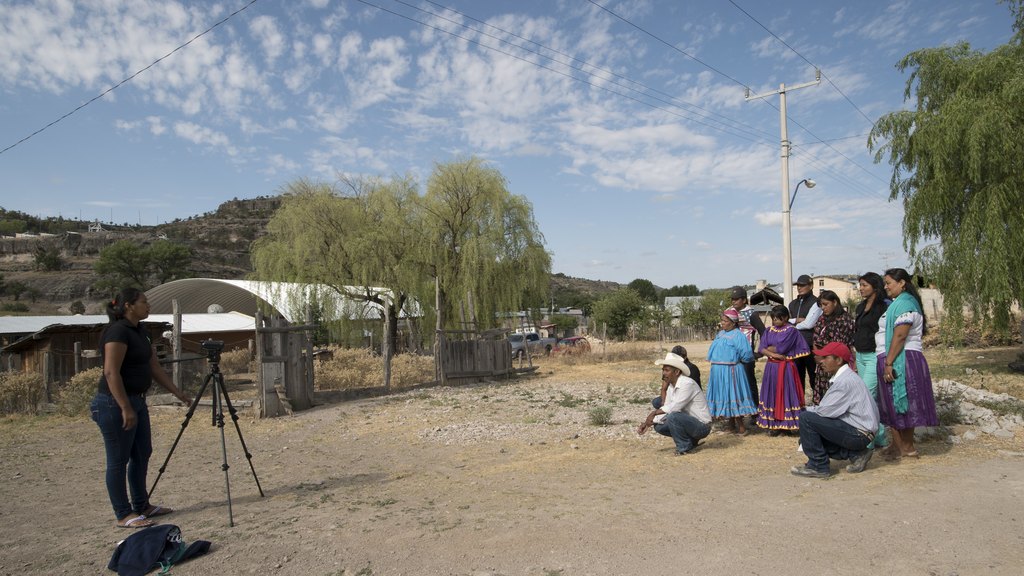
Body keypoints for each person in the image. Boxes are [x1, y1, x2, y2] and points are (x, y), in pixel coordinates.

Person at [90, 288, 191, 529]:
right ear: (128, 305)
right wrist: (125, 407)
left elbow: (154, 367)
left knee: (142, 453)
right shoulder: (117, 332)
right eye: (144, 302)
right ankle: (123, 514)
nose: (148, 306)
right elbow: (111, 372)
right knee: (118, 459)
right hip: (113, 404)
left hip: (138, 400)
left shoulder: (140, 331)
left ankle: (141, 505)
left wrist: (177, 392)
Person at [790, 342, 879, 479]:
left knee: (806, 419)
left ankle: (818, 466)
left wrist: (799, 410)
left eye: (826, 358)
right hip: (862, 431)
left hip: (859, 433)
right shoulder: (846, 377)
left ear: (838, 360)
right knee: (807, 438)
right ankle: (857, 454)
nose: (822, 362)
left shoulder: (844, 382)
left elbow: (824, 412)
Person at [876, 268, 939, 460]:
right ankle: (897, 445)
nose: (886, 287)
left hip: (901, 360)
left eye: (889, 283)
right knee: (890, 403)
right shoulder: (896, 304)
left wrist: (889, 362)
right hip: (890, 357)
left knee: (904, 401)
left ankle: (908, 447)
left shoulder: (906, 305)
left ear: (902, 283)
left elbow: (901, 335)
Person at [638, 353, 712, 455]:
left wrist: (654, 413)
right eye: (663, 370)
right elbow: (666, 406)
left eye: (667, 370)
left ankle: (684, 447)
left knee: (673, 416)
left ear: (677, 372)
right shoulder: (671, 387)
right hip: (690, 423)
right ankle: (690, 442)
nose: (664, 373)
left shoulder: (687, 384)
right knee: (659, 426)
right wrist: (648, 423)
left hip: (702, 426)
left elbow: (675, 407)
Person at [756, 305, 809, 434]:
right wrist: (773, 354)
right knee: (772, 393)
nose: (775, 321)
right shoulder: (769, 330)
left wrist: (771, 349)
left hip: (785, 369)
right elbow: (762, 347)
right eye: (773, 318)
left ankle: (787, 423)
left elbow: (782, 348)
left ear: (785, 317)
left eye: (778, 318)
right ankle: (774, 424)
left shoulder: (791, 331)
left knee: (785, 393)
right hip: (771, 367)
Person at [705, 308, 757, 435]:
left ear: (733, 322)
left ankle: (741, 427)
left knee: (733, 395)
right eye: (722, 320)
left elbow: (746, 354)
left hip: (731, 370)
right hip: (718, 370)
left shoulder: (738, 335)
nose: (722, 323)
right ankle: (731, 424)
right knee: (725, 396)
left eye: (725, 321)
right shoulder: (721, 334)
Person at [853, 272, 890, 449]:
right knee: (871, 399)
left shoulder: (884, 306)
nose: (861, 288)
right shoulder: (860, 307)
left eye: (865, 285)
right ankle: (879, 436)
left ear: (875, 286)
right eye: (860, 285)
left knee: (865, 396)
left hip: (874, 355)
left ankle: (867, 439)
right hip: (860, 355)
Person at [811, 290, 855, 404]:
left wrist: (825, 356)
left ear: (835, 302)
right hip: (822, 362)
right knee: (822, 395)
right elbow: (815, 337)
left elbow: (840, 345)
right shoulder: (821, 319)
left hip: (836, 362)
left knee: (836, 395)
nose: (823, 308)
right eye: (821, 305)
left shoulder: (845, 319)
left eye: (826, 304)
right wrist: (818, 355)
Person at [730, 286, 765, 418]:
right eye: (732, 299)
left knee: (749, 383)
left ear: (744, 300)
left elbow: (764, 333)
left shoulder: (751, 314)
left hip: (746, 356)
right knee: (735, 385)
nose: (734, 301)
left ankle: (755, 413)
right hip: (732, 355)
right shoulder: (729, 312)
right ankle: (738, 414)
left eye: (737, 299)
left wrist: (760, 352)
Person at [788, 274, 821, 397]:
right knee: (797, 376)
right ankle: (799, 406)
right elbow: (787, 321)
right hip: (795, 345)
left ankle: (818, 404)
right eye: (798, 285)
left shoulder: (816, 302)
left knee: (814, 376)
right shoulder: (792, 304)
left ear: (811, 285)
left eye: (803, 285)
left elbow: (809, 324)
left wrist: (796, 321)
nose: (799, 288)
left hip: (811, 344)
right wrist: (798, 320)